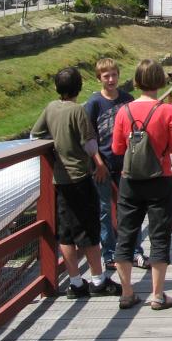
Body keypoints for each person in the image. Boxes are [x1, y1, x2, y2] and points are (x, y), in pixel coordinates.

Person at [30, 67, 122, 298]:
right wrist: (99, 165)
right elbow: (89, 144)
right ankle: (99, 281)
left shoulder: (51, 108)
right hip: (81, 177)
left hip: (60, 180)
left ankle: (75, 282)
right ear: (79, 88)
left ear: (57, 88)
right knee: (90, 229)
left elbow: (35, 135)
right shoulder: (78, 111)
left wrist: (56, 148)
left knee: (66, 232)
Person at [113, 58, 172, 310]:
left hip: (129, 182)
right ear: (160, 80)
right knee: (160, 236)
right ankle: (157, 295)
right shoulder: (168, 111)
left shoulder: (124, 111)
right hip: (159, 180)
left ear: (137, 81)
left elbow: (117, 148)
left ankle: (127, 292)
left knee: (125, 236)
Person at [83, 57, 150, 272]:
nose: (111, 79)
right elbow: (88, 136)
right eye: (106, 76)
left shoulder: (127, 99)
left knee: (131, 208)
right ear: (99, 78)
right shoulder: (93, 104)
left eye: (114, 75)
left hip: (127, 163)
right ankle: (109, 254)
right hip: (102, 163)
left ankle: (134, 250)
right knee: (103, 210)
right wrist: (98, 164)